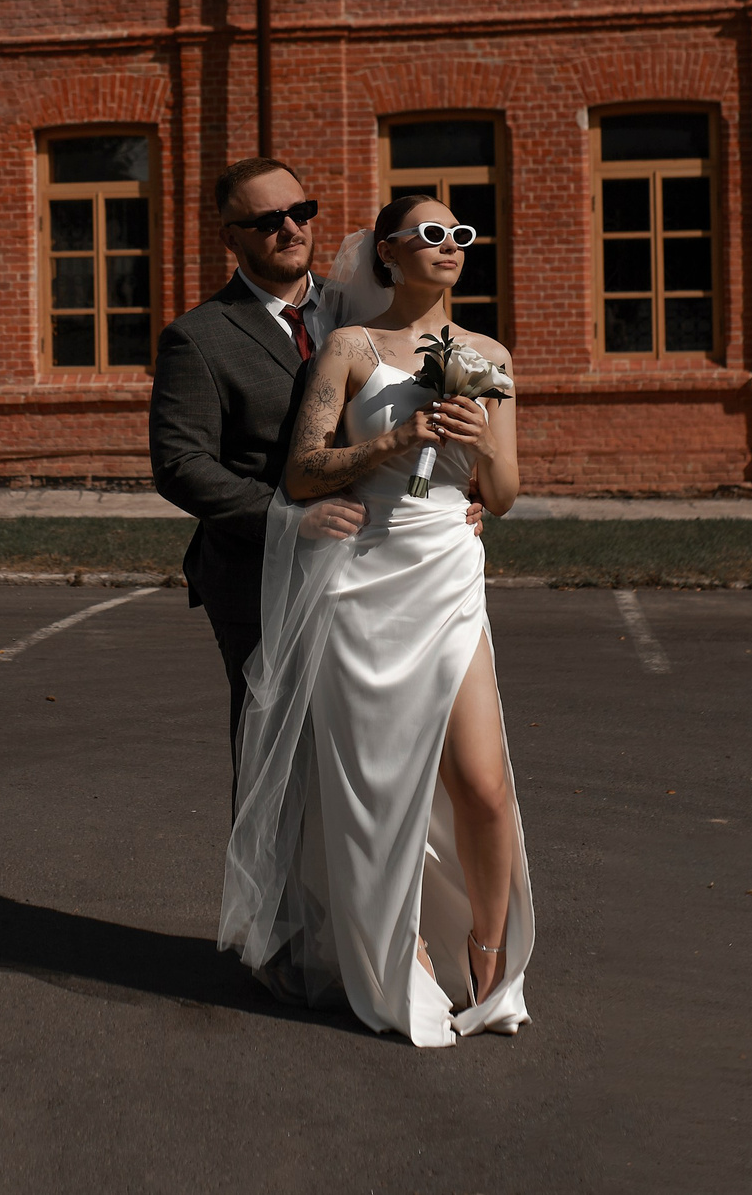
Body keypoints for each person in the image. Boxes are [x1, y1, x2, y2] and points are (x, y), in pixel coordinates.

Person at [220, 193, 533, 1046]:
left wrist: (482, 444)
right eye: (430, 235)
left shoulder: (492, 355)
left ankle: (489, 949)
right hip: (365, 584)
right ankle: (403, 952)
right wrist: (396, 444)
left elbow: (501, 498)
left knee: (483, 782)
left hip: (448, 572)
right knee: (378, 793)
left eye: (462, 235)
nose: (450, 247)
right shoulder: (352, 350)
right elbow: (307, 468)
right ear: (387, 254)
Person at [148, 158, 364, 773]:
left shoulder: (362, 312)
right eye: (268, 220)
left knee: (364, 751)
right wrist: (292, 520)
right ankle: (268, 875)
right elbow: (181, 464)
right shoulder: (200, 338)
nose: (291, 228)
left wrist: (453, 493)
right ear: (230, 237)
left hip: (376, 565)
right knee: (279, 761)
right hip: (262, 577)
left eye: (301, 212)